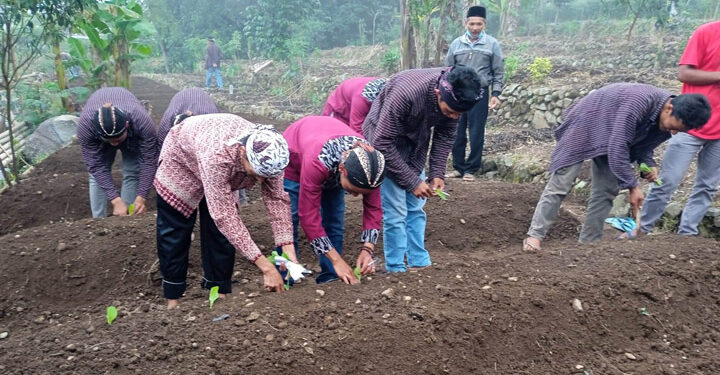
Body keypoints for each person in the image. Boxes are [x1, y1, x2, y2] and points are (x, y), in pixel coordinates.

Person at [522, 83, 711, 251]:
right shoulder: (639, 102)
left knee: (606, 190)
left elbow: (644, 146)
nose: (674, 132)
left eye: (680, 131)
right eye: (676, 126)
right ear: (670, 108)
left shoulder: (667, 122)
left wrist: (648, 164)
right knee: (561, 182)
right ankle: (534, 237)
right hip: (586, 122)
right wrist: (632, 186)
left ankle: (589, 243)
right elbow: (618, 146)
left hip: (612, 134)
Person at [154, 113, 296, 308]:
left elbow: (277, 200)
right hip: (182, 159)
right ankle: (173, 298)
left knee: (219, 235)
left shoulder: (272, 154)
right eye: (258, 174)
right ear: (244, 153)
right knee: (175, 230)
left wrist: (288, 249)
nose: (261, 181)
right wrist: (266, 267)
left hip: (217, 158)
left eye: (266, 176)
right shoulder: (218, 157)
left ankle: (219, 293)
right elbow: (225, 217)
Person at [363, 66, 483, 273]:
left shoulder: (454, 98)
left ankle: (418, 260)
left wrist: (437, 172)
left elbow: (445, 135)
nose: (454, 117)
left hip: (415, 143)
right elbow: (382, 142)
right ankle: (396, 267)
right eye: (449, 112)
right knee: (396, 211)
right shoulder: (406, 94)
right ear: (438, 94)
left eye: (458, 114)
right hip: (384, 143)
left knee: (416, 208)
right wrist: (412, 182)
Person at [626, 21, 720, 238]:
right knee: (666, 181)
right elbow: (684, 73)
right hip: (688, 124)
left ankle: (687, 236)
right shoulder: (707, 32)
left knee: (707, 187)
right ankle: (641, 230)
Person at [282, 116, 386, 284]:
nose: (354, 196)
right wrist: (338, 260)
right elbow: (308, 216)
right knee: (289, 218)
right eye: (352, 190)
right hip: (295, 154)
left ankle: (331, 276)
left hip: (328, 159)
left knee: (334, 218)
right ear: (342, 169)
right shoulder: (318, 162)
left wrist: (368, 249)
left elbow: (374, 210)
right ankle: (286, 277)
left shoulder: (370, 170)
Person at [77, 87, 158, 218]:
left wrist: (141, 197)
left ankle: (128, 216)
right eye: (109, 140)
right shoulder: (86, 126)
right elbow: (96, 166)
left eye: (118, 139)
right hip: (102, 136)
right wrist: (116, 200)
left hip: (133, 135)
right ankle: (98, 220)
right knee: (96, 176)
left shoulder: (141, 122)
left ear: (126, 126)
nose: (114, 143)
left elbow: (149, 162)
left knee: (132, 170)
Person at [444, 5, 504, 182]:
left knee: (476, 130)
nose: (475, 28)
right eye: (472, 24)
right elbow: (448, 69)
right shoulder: (456, 44)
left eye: (479, 24)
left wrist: (496, 93)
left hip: (480, 91)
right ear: (466, 23)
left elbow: (498, 71)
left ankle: (471, 168)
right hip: (458, 93)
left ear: (484, 24)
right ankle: (458, 167)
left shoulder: (492, 44)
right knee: (456, 129)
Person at [321, 77, 387, 134]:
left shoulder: (387, 87)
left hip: (354, 96)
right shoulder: (361, 100)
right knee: (334, 134)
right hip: (339, 109)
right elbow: (356, 128)